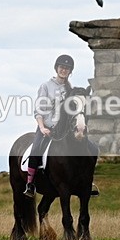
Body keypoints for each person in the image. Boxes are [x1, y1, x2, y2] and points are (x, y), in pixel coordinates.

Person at [24, 54, 74, 198]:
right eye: (62, 67)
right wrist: (42, 127)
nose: (64, 70)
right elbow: (39, 111)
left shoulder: (69, 89)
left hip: (63, 130)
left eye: (67, 68)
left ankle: (86, 182)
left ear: (70, 71)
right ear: (56, 68)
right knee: (36, 149)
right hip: (46, 127)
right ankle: (30, 184)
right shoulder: (46, 86)